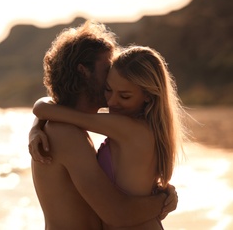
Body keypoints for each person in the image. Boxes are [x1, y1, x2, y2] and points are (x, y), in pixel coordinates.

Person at [28, 20, 178, 229]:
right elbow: (118, 213)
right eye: (108, 67)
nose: (114, 74)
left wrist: (36, 125)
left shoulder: (66, 126)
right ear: (84, 72)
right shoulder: (64, 133)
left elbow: (47, 105)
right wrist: (162, 201)